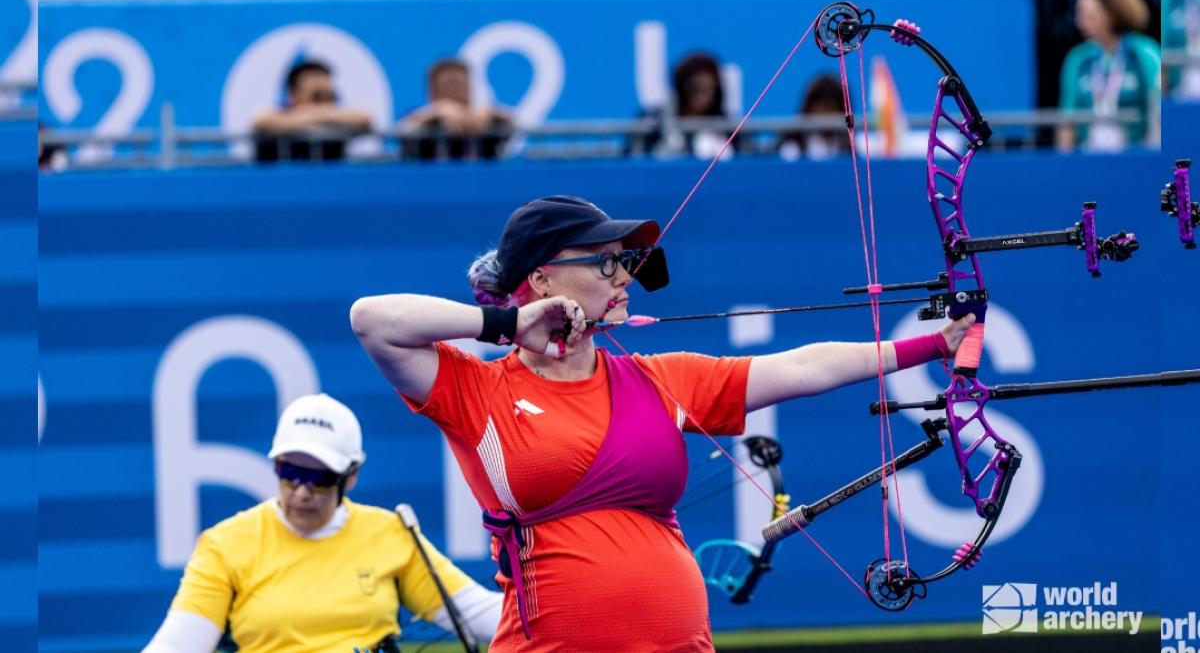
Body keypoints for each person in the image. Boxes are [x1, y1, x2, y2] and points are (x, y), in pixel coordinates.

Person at [350, 195, 974, 650]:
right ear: (541, 277)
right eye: (602, 262)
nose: (623, 277)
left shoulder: (658, 377)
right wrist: (507, 326)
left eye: (624, 262)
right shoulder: (476, 389)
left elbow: (801, 369)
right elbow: (370, 319)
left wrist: (935, 345)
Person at [143, 393, 501, 653]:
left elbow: (477, 612)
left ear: (352, 476)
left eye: (320, 477)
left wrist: (555, 611)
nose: (302, 491)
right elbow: (179, 643)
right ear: (275, 466)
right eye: (291, 472)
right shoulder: (225, 543)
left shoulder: (390, 533)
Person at [1057, 0, 1161, 152]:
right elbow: (1067, 121)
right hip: (1088, 156)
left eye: (1089, 14)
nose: (1080, 21)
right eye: (1079, 14)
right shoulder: (1077, 58)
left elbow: (1158, 110)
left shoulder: (1144, 52)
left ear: (1111, 13)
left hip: (1135, 155)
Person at [252, 60, 373, 163]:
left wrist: (316, 114)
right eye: (317, 96)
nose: (324, 103)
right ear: (293, 94)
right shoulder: (276, 116)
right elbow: (260, 120)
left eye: (328, 95)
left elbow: (365, 118)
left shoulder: (338, 118)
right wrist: (306, 117)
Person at [400, 58, 513, 161]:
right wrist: (439, 111)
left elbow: (516, 123)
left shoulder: (485, 118)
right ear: (432, 91)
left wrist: (490, 112)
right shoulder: (422, 118)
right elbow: (402, 130)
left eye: (461, 84)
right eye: (449, 85)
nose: (457, 91)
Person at [639, 52, 740, 159]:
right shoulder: (654, 121)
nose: (700, 96)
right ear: (681, 87)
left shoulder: (728, 127)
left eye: (707, 89)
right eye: (694, 87)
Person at [778, 74, 850, 161]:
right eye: (824, 107)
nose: (827, 115)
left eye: (832, 108)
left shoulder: (853, 146)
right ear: (809, 108)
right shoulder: (792, 145)